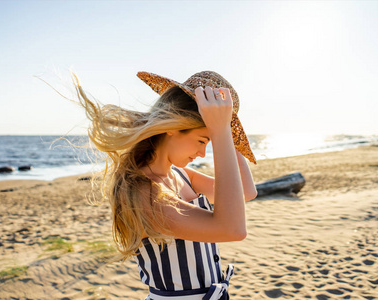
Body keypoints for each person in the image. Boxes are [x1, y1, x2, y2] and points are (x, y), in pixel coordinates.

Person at [70, 70, 257, 299]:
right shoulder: (142, 191)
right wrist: (218, 132)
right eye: (202, 141)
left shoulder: (180, 174)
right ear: (172, 127)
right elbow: (233, 229)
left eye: (208, 142)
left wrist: (224, 129)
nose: (202, 153)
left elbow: (247, 191)